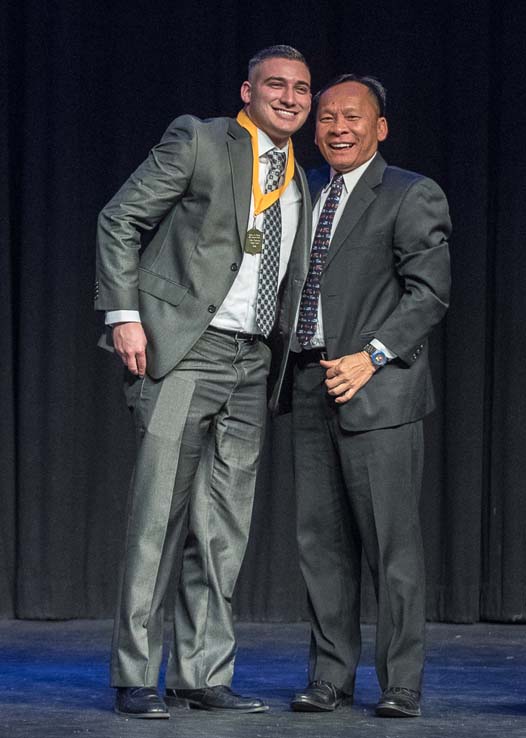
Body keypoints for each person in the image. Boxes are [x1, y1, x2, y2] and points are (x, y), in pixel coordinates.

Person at [94, 45, 312, 719]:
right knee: (158, 515)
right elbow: (119, 218)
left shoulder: (300, 178)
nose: (290, 96)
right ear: (246, 92)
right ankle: (136, 673)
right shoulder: (201, 139)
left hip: (252, 364)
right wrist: (125, 315)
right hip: (186, 352)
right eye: (275, 84)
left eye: (302, 88)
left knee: (224, 528)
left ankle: (202, 674)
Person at [284, 74, 451, 718]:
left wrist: (373, 356)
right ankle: (330, 677)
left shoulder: (410, 193)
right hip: (309, 385)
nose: (337, 128)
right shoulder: (305, 195)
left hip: (377, 389)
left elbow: (428, 294)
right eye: (326, 118)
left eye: (352, 117)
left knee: (391, 546)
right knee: (320, 547)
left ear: (380, 128)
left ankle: (401, 682)